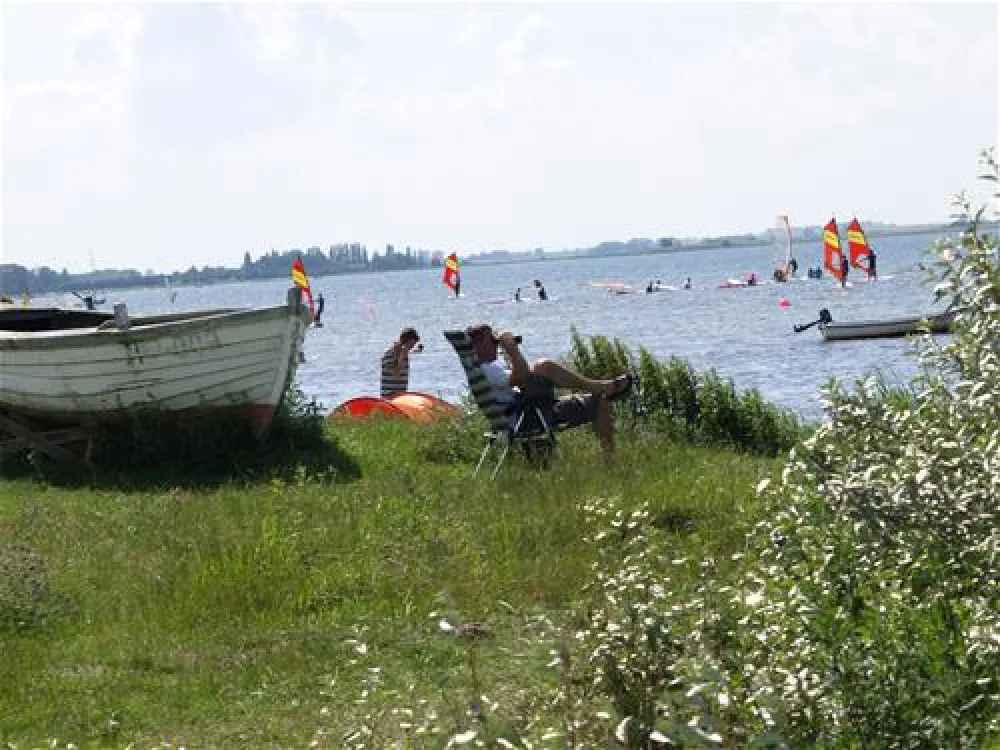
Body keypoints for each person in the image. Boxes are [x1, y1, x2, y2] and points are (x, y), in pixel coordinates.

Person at [466, 323, 632, 454]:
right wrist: (512, 349)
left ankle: (600, 388)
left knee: (594, 399)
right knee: (544, 367)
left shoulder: (480, 369)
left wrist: (511, 355)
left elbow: (518, 380)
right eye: (492, 340)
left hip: (522, 413)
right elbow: (522, 376)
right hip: (527, 417)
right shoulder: (487, 370)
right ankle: (601, 387)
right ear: (479, 344)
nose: (495, 344)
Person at [381, 327, 421, 397]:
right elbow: (396, 373)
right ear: (408, 341)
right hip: (389, 396)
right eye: (412, 344)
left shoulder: (404, 354)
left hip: (401, 396)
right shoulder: (390, 354)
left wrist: (406, 353)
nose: (413, 346)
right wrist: (402, 355)